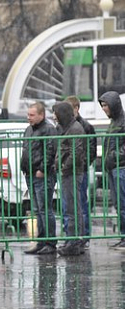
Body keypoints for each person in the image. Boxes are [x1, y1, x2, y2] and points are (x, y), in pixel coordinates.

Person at [21, 101, 58, 255]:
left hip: (42, 174)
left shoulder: (48, 129)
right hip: (30, 173)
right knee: (37, 209)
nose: (29, 118)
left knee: (44, 209)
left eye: (32, 115)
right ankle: (41, 241)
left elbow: (50, 150)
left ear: (41, 115)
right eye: (28, 114)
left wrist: (43, 169)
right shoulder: (29, 129)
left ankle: (50, 242)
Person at [53, 102, 86, 256]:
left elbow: (76, 153)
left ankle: (74, 242)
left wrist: (64, 167)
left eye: (56, 113)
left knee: (73, 209)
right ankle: (72, 240)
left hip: (72, 173)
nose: (54, 117)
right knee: (71, 208)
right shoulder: (67, 128)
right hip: (68, 172)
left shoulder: (76, 129)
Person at [64, 96, 96, 248]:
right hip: (69, 170)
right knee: (69, 205)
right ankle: (71, 236)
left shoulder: (85, 126)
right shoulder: (66, 125)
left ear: (76, 109)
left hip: (79, 170)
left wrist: (82, 164)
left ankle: (83, 236)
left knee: (81, 204)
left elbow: (90, 150)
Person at [99, 91, 125, 249]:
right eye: (102, 105)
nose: (103, 108)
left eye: (105, 105)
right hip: (113, 167)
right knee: (118, 204)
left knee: (123, 204)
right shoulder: (114, 121)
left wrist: (114, 156)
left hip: (120, 167)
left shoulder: (122, 121)